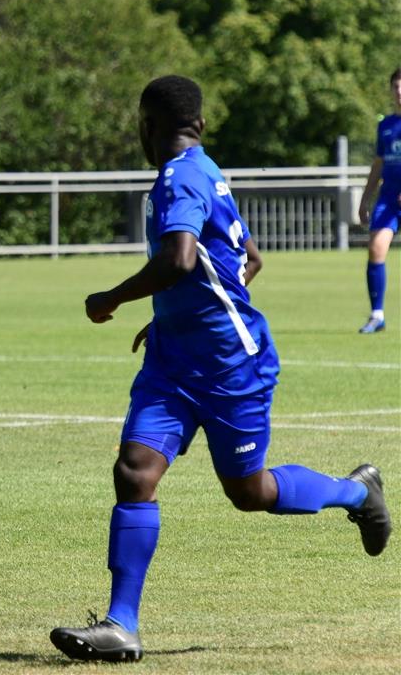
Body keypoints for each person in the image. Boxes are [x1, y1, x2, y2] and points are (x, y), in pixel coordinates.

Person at [49, 75, 391, 663]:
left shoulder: (181, 176)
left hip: (233, 367)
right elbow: (247, 260)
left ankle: (356, 493)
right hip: (173, 363)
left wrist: (110, 297)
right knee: (135, 471)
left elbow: (181, 259)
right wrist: (174, 320)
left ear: (145, 126)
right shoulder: (205, 170)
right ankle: (120, 624)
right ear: (200, 125)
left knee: (249, 492)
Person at [355, 67, 401, 334]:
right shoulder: (385, 125)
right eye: (395, 86)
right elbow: (378, 165)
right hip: (389, 196)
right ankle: (377, 315)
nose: (399, 91)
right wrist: (365, 199)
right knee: (376, 248)